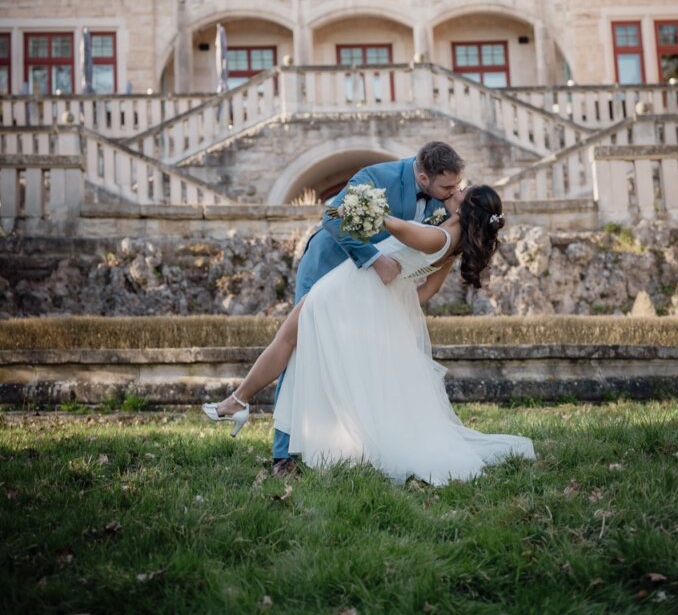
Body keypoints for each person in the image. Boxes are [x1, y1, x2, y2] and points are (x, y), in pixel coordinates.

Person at [202, 185, 536, 486]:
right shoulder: (451, 242)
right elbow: (426, 290)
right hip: (365, 292)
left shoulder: (439, 238)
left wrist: (361, 207)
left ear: (468, 206)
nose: (456, 191)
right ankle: (240, 401)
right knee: (297, 344)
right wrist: (389, 304)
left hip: (351, 288)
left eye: (462, 191)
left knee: (289, 341)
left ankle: (238, 402)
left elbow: (396, 227)